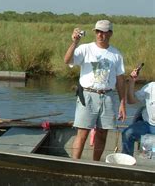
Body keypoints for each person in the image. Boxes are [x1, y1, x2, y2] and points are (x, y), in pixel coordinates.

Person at [64, 19, 126, 161]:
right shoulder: (85, 48)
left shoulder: (116, 54)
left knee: (102, 133)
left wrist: (122, 103)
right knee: (83, 133)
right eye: (98, 31)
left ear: (110, 33)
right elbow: (67, 60)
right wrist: (75, 43)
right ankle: (75, 164)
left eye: (104, 32)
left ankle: (95, 163)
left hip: (108, 96)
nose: (100, 35)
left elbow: (120, 80)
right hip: (88, 95)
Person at [121, 67, 154, 156]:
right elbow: (131, 101)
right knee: (127, 133)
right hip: (148, 125)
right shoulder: (150, 87)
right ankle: (127, 163)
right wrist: (132, 82)